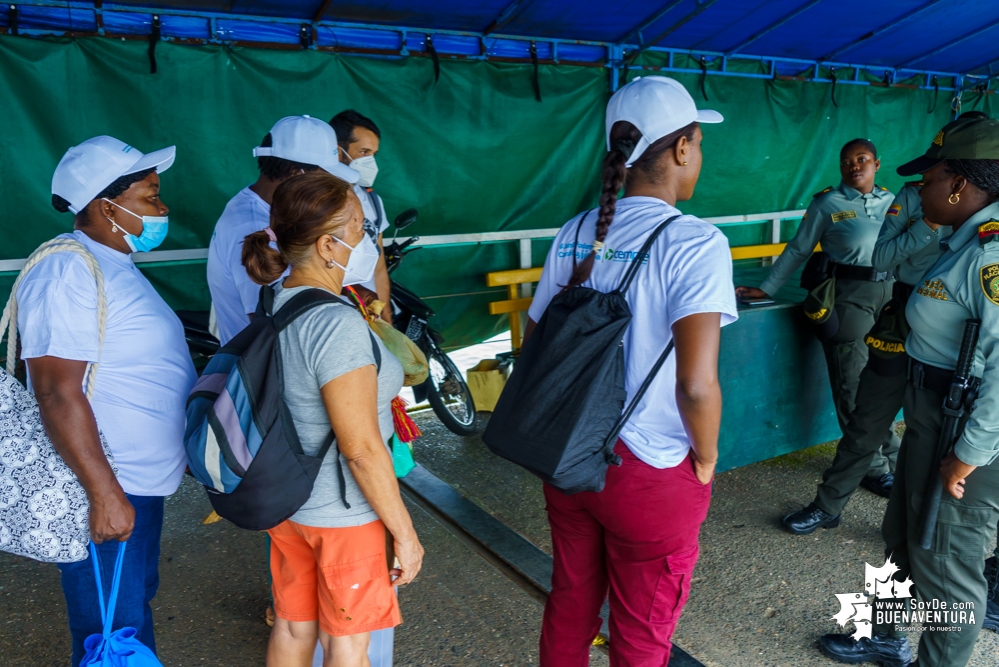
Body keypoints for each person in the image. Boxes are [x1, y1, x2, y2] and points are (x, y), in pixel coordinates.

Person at [526, 76, 736, 665]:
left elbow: (534, 345)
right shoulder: (694, 243)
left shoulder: (575, 233)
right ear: (682, 149)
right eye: (698, 142)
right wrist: (708, 456)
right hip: (650, 468)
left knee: (570, 600)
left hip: (568, 455)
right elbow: (696, 384)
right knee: (642, 631)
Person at [820, 115, 999, 667]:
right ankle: (884, 636)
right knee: (902, 537)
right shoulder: (961, 239)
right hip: (932, 417)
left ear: (960, 185)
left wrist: (966, 457)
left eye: (930, 178)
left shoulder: (990, 255)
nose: (918, 189)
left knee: (948, 569)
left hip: (965, 435)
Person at [17, 136, 196, 666]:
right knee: (112, 635)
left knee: (127, 614)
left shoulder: (110, 263)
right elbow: (54, 390)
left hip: (135, 482)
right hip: (110, 483)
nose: (162, 209)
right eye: (150, 196)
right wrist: (103, 493)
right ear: (104, 205)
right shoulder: (66, 271)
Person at [241, 171, 423, 667]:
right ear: (327, 245)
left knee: (294, 627)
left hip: (290, 505)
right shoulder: (335, 323)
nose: (368, 241)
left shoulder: (278, 303)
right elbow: (361, 449)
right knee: (347, 643)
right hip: (344, 515)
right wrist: (405, 534)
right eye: (361, 229)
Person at [737, 140, 900, 510]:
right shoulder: (828, 203)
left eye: (861, 160)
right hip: (848, 294)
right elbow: (798, 248)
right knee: (853, 381)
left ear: (877, 163)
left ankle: (893, 454)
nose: (853, 166)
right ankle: (874, 469)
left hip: (891, 294)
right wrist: (766, 288)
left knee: (886, 380)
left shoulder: (893, 201)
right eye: (846, 161)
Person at [207, 115, 360, 345]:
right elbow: (273, 323)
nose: (328, 185)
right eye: (324, 176)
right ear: (296, 172)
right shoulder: (255, 226)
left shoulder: (261, 208)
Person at [329, 110, 393, 322]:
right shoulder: (315, 202)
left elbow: (379, 268)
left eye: (374, 154)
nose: (370, 161)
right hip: (334, 319)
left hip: (370, 318)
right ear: (338, 151)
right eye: (364, 152)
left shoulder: (372, 200)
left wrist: (386, 320)